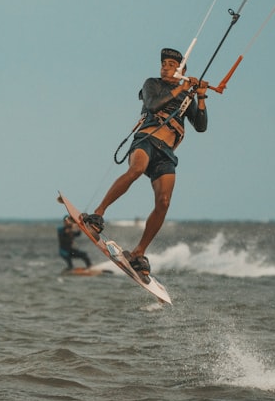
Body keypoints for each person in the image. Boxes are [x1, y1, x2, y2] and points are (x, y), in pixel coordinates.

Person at [81, 48, 208, 276]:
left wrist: (200, 96)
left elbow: (200, 126)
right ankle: (97, 214)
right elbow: (152, 105)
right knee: (137, 169)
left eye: (171, 64)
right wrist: (181, 87)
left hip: (166, 153)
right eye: (164, 63)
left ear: (182, 70)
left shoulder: (186, 98)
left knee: (164, 201)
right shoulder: (152, 84)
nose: (166, 67)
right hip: (147, 140)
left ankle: (139, 252)